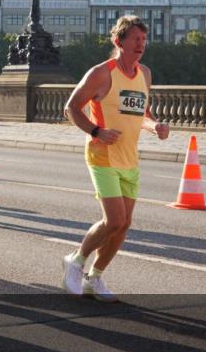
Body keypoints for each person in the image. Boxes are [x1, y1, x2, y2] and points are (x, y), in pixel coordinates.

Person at [61, 16, 170, 302]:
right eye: (135, 39)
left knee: (124, 224)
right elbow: (71, 108)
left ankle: (94, 278)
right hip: (102, 155)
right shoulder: (101, 73)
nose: (140, 45)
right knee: (114, 220)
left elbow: (142, 114)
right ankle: (75, 259)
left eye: (144, 40)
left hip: (129, 158)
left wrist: (155, 126)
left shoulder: (144, 73)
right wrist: (96, 130)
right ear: (118, 41)